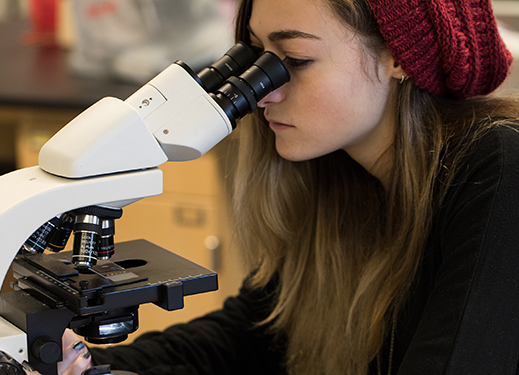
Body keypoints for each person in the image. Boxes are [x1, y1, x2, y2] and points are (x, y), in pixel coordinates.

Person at [27, 0, 519, 374]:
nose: (266, 91)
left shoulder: (497, 170)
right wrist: (107, 367)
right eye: (257, 59)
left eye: (296, 60)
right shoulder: (343, 176)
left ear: (398, 55)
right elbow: (260, 331)